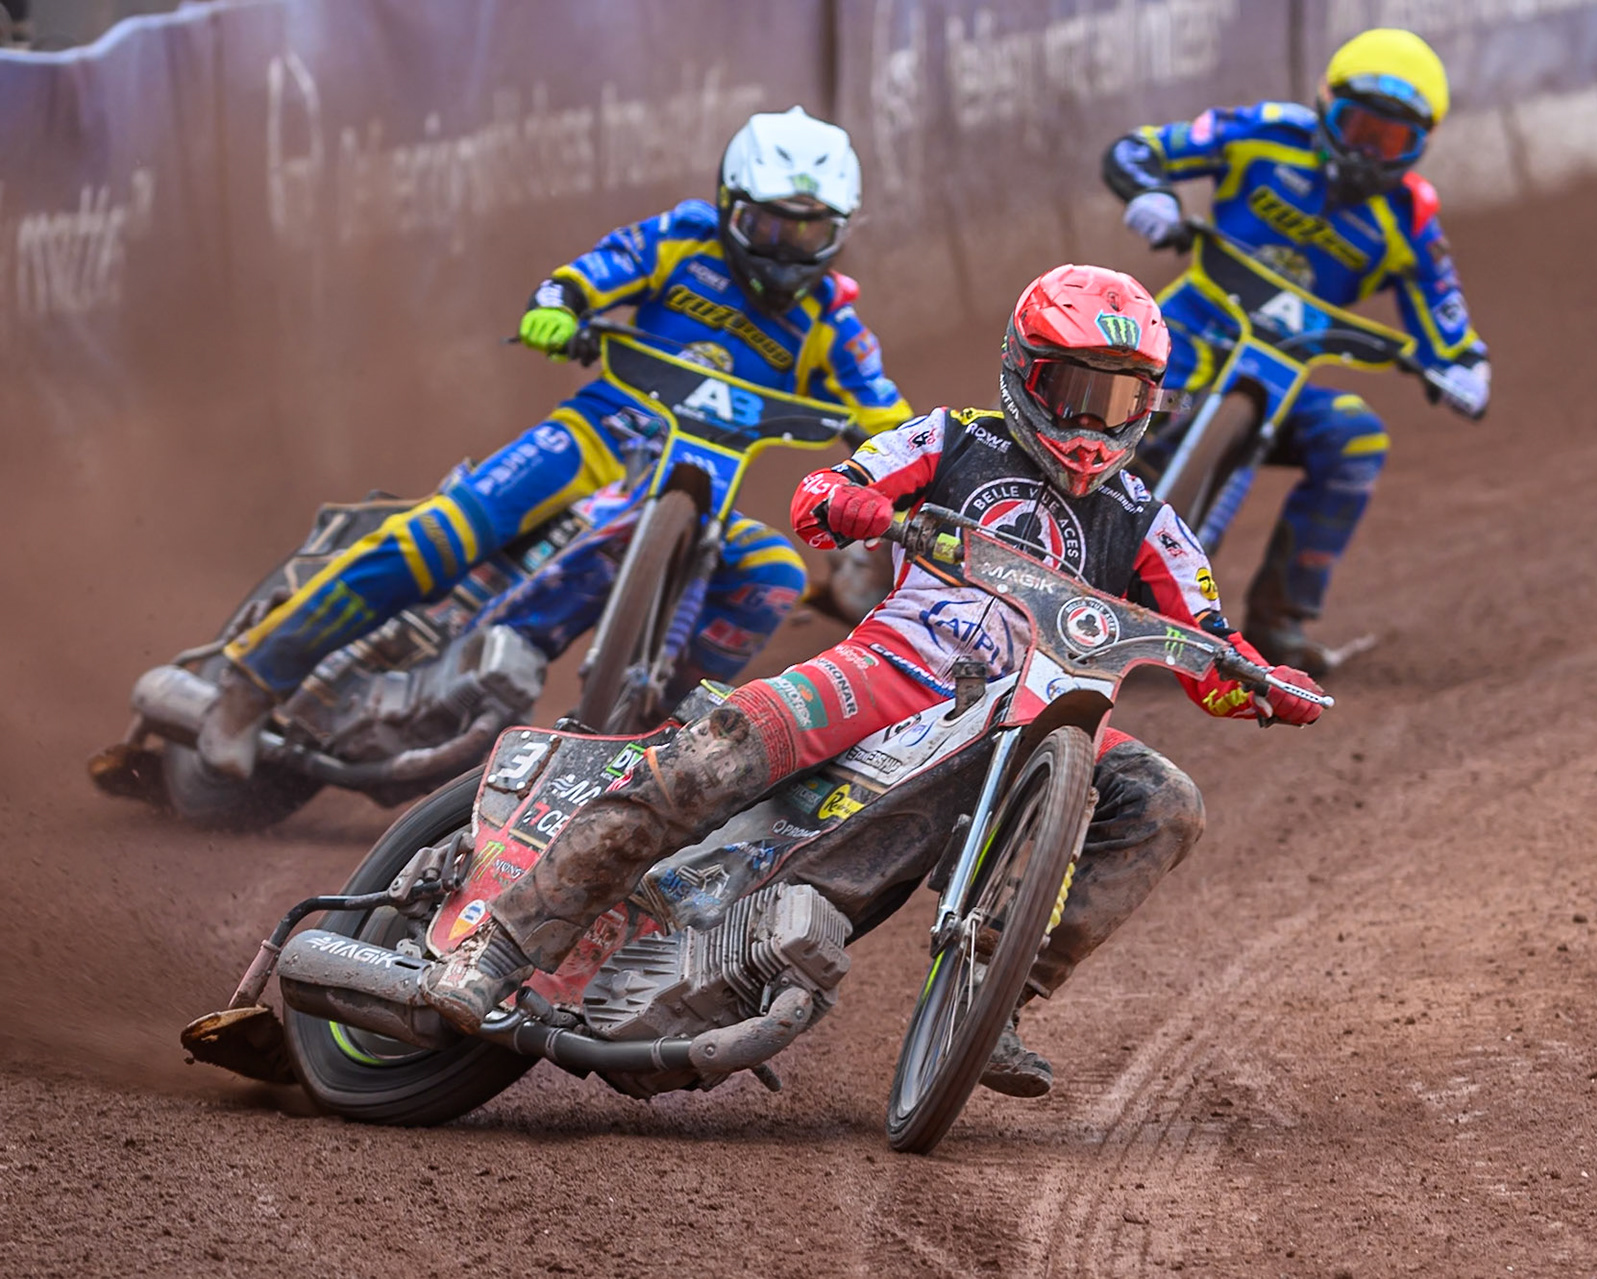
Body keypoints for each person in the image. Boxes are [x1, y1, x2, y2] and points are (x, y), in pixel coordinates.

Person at [423, 264, 1328, 1097]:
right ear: (1025, 370)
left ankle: (999, 993)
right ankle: (497, 948)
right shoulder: (953, 439)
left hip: (1033, 723)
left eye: (1118, 398)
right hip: (892, 671)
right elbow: (823, 495)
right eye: (1074, 392)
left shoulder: (1148, 521)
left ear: (1148, 404)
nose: (1092, 423)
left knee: (1169, 801)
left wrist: (1260, 681)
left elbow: (1210, 647)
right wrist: (859, 504)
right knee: (714, 755)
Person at [198, 107, 912, 778]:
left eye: (809, 232)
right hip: (594, 439)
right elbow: (592, 273)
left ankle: (658, 752)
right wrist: (558, 307)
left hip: (706, 503)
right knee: (441, 533)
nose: (788, 250)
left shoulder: (832, 321)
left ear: (840, 230)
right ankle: (253, 682)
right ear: (729, 206)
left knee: (776, 576)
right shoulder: (682, 240)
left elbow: (889, 415)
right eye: (769, 225)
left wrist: (902, 459)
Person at [1103, 27, 1491, 673]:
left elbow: (1443, 312)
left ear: (1421, 146)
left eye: (1391, 139)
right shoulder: (1267, 132)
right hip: (1179, 337)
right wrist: (1151, 195)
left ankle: (1280, 621)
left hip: (1280, 377)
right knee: (1097, 400)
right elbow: (1138, 150)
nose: (1369, 151)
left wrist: (1464, 364)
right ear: (1324, 104)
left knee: (1356, 437)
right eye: (1359, 125)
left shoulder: (1410, 217)